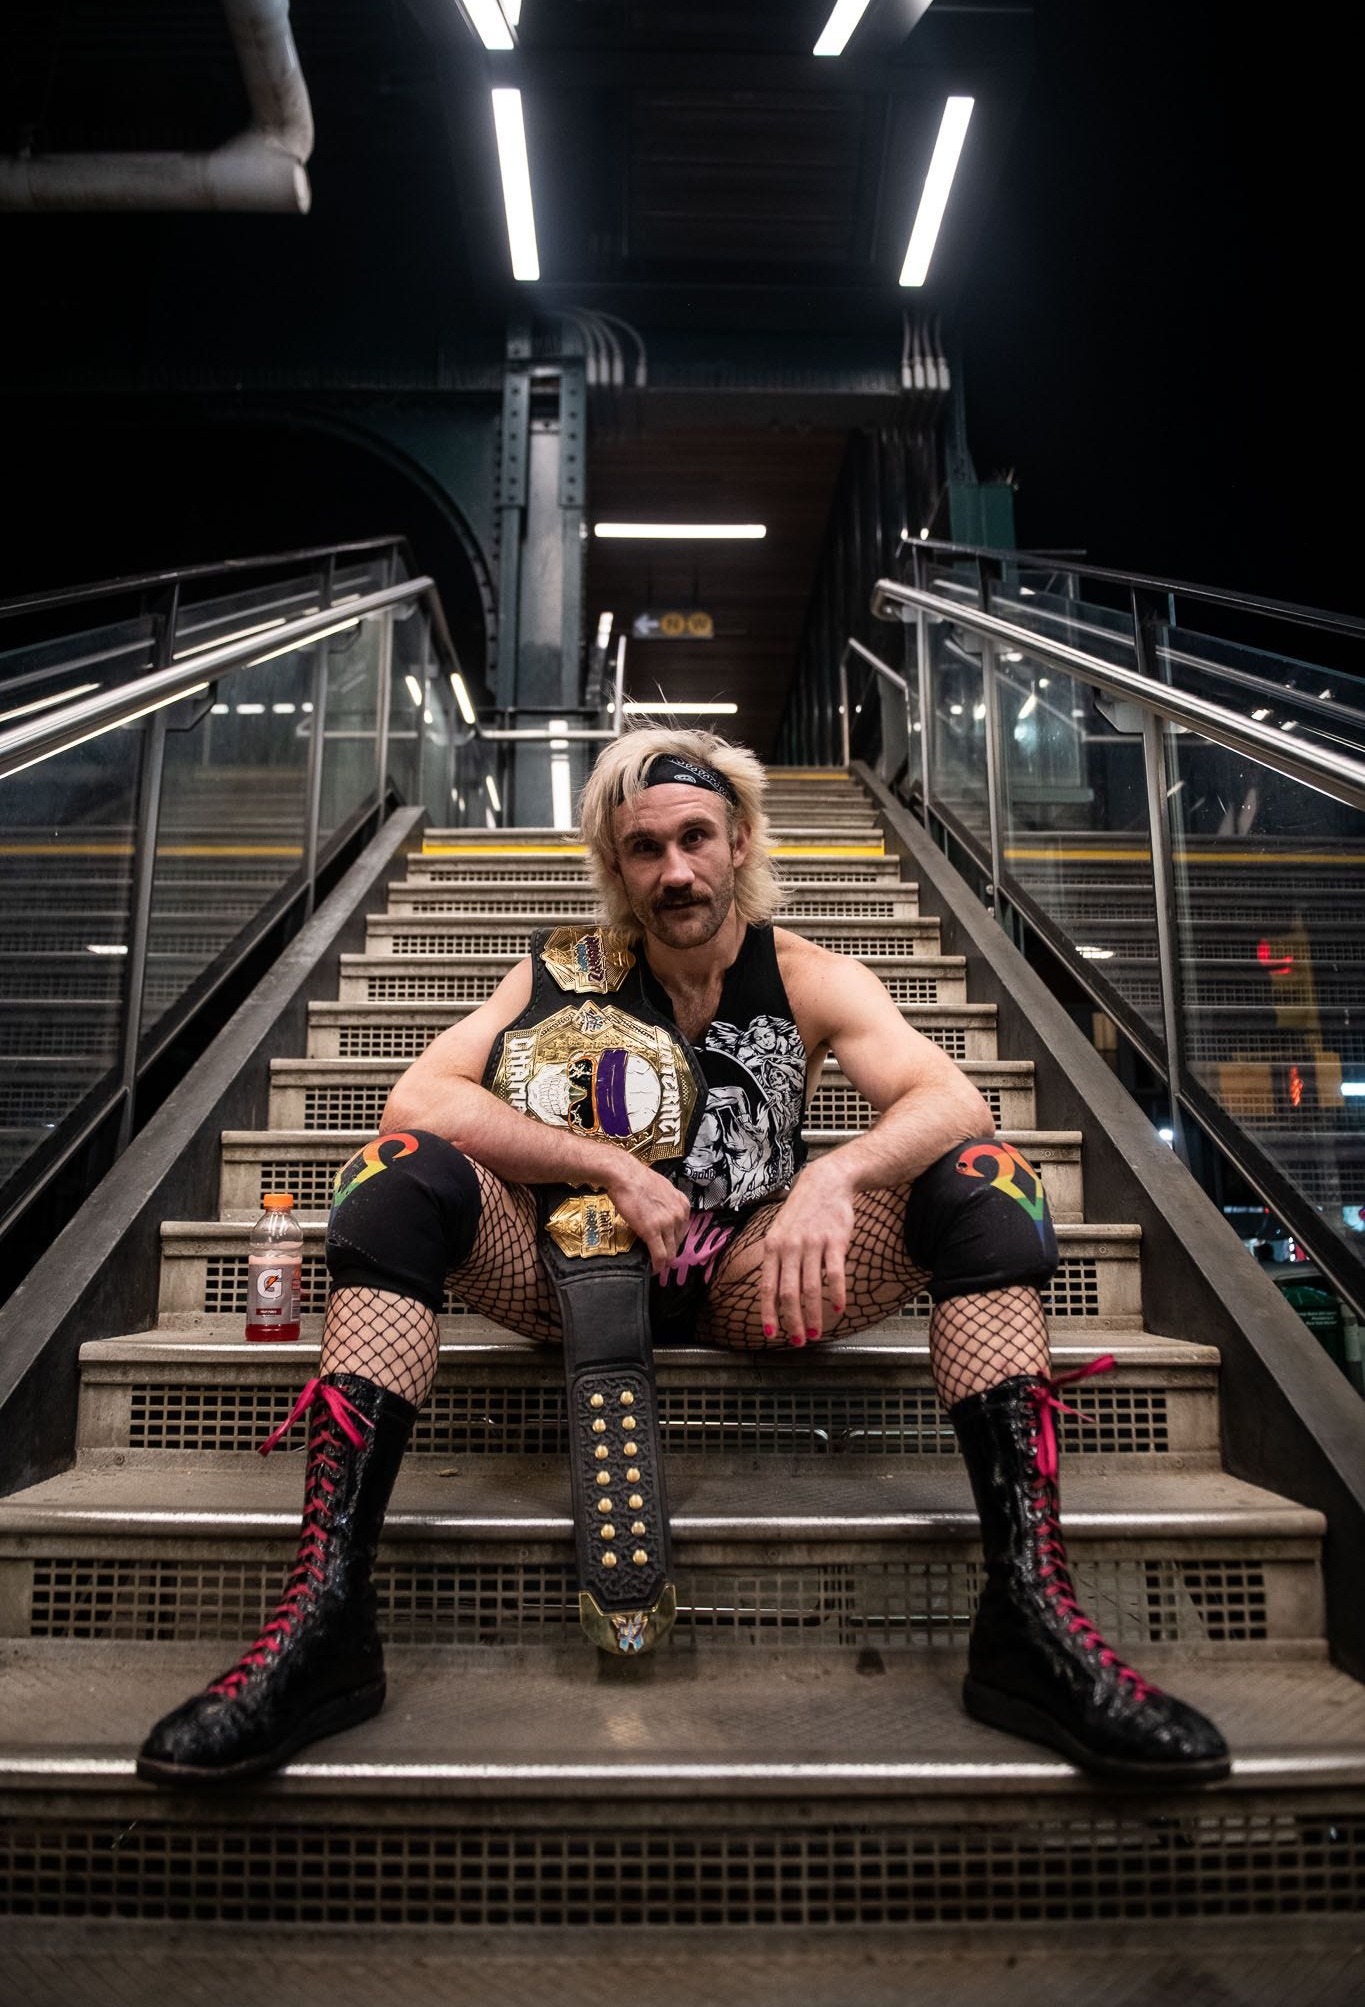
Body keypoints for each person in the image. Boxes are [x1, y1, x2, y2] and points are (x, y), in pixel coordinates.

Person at [138, 728, 1229, 1788]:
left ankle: (1028, 1609)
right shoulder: (560, 971)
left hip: (758, 1278)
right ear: (615, 865)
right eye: (646, 848)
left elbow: (951, 1096)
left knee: (990, 1178)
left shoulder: (806, 975)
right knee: (390, 1169)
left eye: (696, 837)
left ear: (741, 840)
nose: (676, 869)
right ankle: (327, 1612)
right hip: (566, 1272)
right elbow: (419, 1095)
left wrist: (832, 1177)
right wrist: (601, 1166)